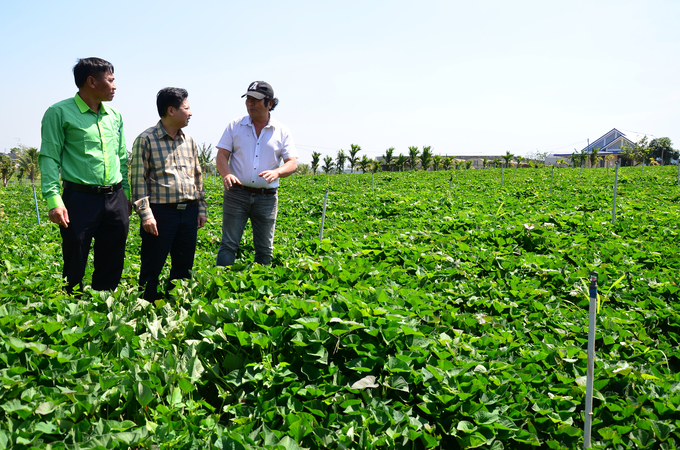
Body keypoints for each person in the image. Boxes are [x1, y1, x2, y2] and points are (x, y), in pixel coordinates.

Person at [39, 57, 130, 294]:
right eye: (110, 80)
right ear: (91, 81)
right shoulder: (59, 112)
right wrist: (53, 201)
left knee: (113, 256)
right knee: (75, 254)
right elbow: (49, 157)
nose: (115, 86)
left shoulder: (115, 116)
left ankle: (104, 306)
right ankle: (71, 308)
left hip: (115, 195)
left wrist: (126, 195)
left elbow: (121, 157)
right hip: (79, 198)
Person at [130, 88, 207, 301]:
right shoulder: (146, 139)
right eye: (187, 108)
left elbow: (197, 176)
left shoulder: (188, 140)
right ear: (171, 110)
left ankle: (176, 307)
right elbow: (138, 180)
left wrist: (201, 207)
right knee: (152, 266)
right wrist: (146, 214)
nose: (190, 113)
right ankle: (145, 308)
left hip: (189, 211)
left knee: (184, 266)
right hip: (161, 213)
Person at [215, 81, 297, 266]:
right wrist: (226, 174)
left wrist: (278, 172)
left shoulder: (282, 131)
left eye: (256, 100)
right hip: (236, 193)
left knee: (264, 248)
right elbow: (222, 155)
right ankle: (221, 289)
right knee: (228, 244)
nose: (250, 103)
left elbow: (292, 163)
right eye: (248, 99)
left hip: (266, 197)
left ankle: (259, 290)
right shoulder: (235, 126)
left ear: (269, 103)